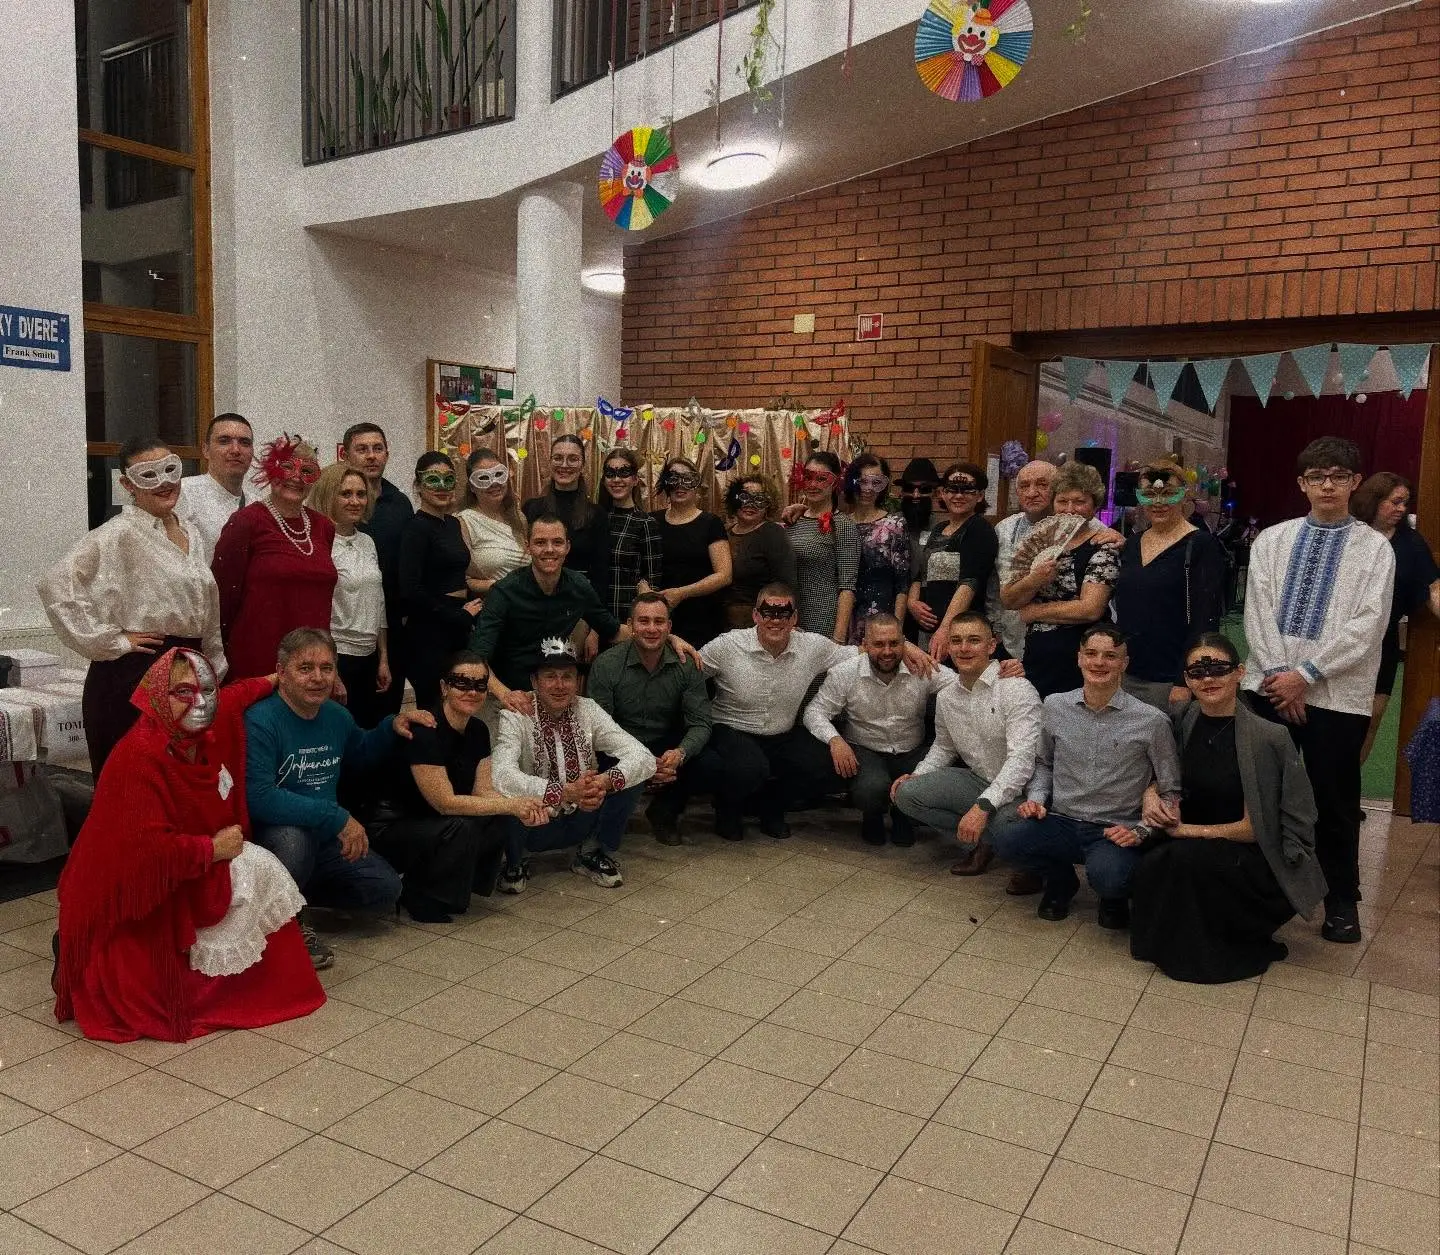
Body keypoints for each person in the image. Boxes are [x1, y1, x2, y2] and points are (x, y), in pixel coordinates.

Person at [53, 647, 324, 1042]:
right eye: (183, 692)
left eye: (207, 690)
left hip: (189, 866)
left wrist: (274, 679)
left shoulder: (201, 730)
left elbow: (234, 696)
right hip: (137, 891)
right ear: (157, 696)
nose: (200, 702)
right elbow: (147, 854)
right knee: (256, 864)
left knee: (262, 866)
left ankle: (254, 982)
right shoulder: (139, 758)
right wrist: (212, 849)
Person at [1242, 436, 1394, 945]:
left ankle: (1341, 900)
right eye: (1316, 477)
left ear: (1355, 482)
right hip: (1268, 687)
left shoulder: (1375, 548)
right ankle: (1258, 892)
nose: (1327, 485)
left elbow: (1368, 625)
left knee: (1334, 800)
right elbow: (1257, 611)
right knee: (1261, 793)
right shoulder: (1273, 540)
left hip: (1337, 696)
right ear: (1301, 483)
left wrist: (1305, 675)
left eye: (1338, 476)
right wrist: (1280, 677)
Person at [1131, 634, 1326, 984]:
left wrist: (1186, 831)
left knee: (1185, 859)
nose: (1208, 679)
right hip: (1193, 841)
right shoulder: (1186, 717)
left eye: (1218, 669)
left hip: (1251, 854)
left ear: (1239, 672)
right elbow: (1168, 771)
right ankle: (1172, 944)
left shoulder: (1267, 737)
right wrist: (1150, 793)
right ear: (1187, 679)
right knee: (1155, 857)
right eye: (1197, 672)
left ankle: (1211, 953)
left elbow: (1253, 829)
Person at [245, 628, 432, 968]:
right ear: (282, 672)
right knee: (293, 840)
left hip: (324, 840)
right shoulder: (260, 720)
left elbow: (360, 752)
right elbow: (259, 797)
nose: (318, 678)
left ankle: (299, 900)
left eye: (327, 668)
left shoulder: (335, 715)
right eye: (305, 668)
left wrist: (392, 725)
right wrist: (336, 817)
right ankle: (286, 923)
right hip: (274, 839)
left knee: (384, 889)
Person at [689, 583, 935, 841]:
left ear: (794, 617)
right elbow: (689, 670)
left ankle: (772, 807)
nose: (775, 620)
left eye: (784, 613)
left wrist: (905, 647)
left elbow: (861, 651)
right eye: (768, 613)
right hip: (730, 728)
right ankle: (728, 809)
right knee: (749, 767)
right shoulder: (727, 645)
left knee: (827, 763)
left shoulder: (812, 646)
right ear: (755, 615)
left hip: (781, 734)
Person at [40, 435, 226, 775]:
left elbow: (207, 607)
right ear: (128, 484)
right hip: (134, 675)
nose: (164, 482)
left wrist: (214, 663)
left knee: (180, 784)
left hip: (186, 672)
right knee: (133, 786)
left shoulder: (192, 534)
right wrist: (113, 640)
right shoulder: (119, 533)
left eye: (169, 470)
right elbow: (56, 584)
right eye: (148, 475)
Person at [991, 625, 1182, 928]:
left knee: (1111, 877)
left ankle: (1112, 896)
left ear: (1124, 663)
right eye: (1091, 654)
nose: (1099, 662)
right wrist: (1037, 799)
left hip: (1115, 828)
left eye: (1110, 656)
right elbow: (1044, 764)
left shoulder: (1151, 721)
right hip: (1062, 820)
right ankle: (1060, 882)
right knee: (1004, 837)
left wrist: (1142, 831)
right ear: (1079, 658)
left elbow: (1171, 789)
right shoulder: (1055, 705)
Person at [368, 651, 547, 922]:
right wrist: (512, 804)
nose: (471, 692)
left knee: (496, 816)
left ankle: (454, 886)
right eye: (461, 683)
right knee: (463, 824)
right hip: (393, 826)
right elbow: (445, 803)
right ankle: (420, 894)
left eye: (480, 685)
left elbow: (482, 791)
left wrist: (523, 806)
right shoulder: (425, 728)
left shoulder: (479, 730)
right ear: (444, 687)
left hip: (433, 821)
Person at [491, 637, 656, 893]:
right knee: (506, 789)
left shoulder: (587, 709)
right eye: (550, 676)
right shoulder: (515, 715)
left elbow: (643, 756)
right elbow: (502, 775)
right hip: (533, 822)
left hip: (582, 816)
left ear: (578, 682)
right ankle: (515, 861)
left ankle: (591, 852)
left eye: (567, 677)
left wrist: (601, 783)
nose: (560, 685)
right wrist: (564, 792)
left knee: (631, 776)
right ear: (534, 681)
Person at [892, 612, 1042, 875]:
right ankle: (986, 841)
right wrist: (918, 774)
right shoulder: (947, 696)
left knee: (1008, 827)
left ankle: (1024, 858)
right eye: (956, 641)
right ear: (948, 647)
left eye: (973, 640)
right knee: (907, 794)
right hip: (979, 779)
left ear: (991, 645)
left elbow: (1022, 760)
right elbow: (944, 747)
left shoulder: (1016, 689)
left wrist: (983, 806)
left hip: (1024, 789)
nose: (963, 648)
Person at [802, 614, 952, 846]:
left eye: (894, 643)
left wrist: (1000, 670)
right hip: (865, 750)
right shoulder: (845, 672)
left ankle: (904, 814)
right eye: (879, 644)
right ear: (865, 645)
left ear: (904, 643)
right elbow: (814, 712)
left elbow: (960, 683)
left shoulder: (920, 666)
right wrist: (835, 740)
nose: (887, 651)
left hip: (912, 750)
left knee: (932, 781)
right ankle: (872, 814)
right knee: (870, 790)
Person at [212, 434, 338, 683]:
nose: (296, 477)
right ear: (270, 471)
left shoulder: (323, 527)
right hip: (258, 660)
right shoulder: (246, 522)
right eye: (287, 467)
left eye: (307, 471)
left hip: (313, 663)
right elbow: (220, 600)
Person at [589, 592, 712, 845]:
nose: (652, 629)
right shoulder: (606, 664)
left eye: (659, 621)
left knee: (708, 760)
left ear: (669, 626)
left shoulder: (686, 664)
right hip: (620, 745)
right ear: (630, 625)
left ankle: (664, 812)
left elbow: (700, 722)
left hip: (665, 745)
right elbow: (600, 727)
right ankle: (611, 817)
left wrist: (679, 754)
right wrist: (642, 762)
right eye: (644, 621)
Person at [469, 514, 627, 705]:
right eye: (540, 542)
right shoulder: (504, 592)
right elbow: (477, 658)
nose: (549, 549)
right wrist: (505, 695)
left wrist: (656, 635)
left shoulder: (579, 586)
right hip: (508, 696)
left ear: (567, 547)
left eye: (557, 542)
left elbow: (613, 631)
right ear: (528, 547)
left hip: (554, 693)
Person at [1112, 458, 1226, 711]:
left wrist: (1185, 679)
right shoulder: (1132, 544)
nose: (1158, 502)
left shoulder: (1201, 545)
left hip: (1170, 679)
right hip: (1127, 673)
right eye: (1149, 495)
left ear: (1184, 496)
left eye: (1168, 494)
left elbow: (1205, 620)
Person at [1001, 460, 1119, 698]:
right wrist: (1034, 580)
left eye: (1079, 502)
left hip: (1083, 659)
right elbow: (1009, 600)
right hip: (1036, 655)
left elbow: (1090, 609)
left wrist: (1033, 612)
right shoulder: (1040, 541)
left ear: (1094, 506)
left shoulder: (1102, 544)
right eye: (1062, 501)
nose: (1070, 509)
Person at [1351, 471, 1440, 763]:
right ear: (1374, 500)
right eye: (1395, 502)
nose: (1402, 509)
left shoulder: (1411, 543)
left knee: (1371, 720)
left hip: (1383, 642)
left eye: (1406, 503)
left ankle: (1349, 783)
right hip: (1343, 637)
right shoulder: (1350, 534)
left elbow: (1433, 589)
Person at [305, 464, 390, 731]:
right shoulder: (318, 542)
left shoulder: (367, 541)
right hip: (337, 654)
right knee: (335, 733)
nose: (355, 501)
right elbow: (314, 609)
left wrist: (384, 658)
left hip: (369, 655)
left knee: (364, 733)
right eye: (346, 494)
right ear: (328, 495)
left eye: (361, 494)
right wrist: (330, 668)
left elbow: (378, 602)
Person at [399, 452, 482, 708]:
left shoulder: (453, 524)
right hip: (429, 631)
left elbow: (458, 576)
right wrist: (456, 615)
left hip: (457, 626)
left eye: (448, 479)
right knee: (434, 708)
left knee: (459, 705)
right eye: (433, 480)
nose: (442, 487)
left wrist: (470, 611)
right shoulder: (416, 528)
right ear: (418, 485)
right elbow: (410, 589)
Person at [344, 422, 414, 717]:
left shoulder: (400, 503)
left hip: (392, 625)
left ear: (387, 453)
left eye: (377, 448)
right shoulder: (335, 503)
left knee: (387, 712)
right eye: (362, 449)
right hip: (346, 625)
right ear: (346, 455)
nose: (371, 456)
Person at [909, 462, 999, 658]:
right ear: (942, 493)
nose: (958, 495)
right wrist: (912, 602)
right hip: (927, 630)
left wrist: (946, 630)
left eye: (967, 490)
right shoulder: (938, 529)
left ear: (980, 495)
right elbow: (920, 574)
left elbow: (970, 582)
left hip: (960, 633)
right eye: (952, 489)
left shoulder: (980, 529)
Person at [653, 456, 732, 646]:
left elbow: (724, 575)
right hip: (659, 618)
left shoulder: (711, 523)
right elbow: (639, 567)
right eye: (673, 478)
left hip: (702, 618)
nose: (680, 485)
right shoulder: (652, 521)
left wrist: (682, 593)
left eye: (687, 479)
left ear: (696, 484)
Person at [785, 450, 860, 642]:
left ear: (835, 482)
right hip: (788, 619)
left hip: (823, 620)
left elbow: (847, 587)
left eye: (821, 479)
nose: (813, 485)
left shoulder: (842, 525)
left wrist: (838, 639)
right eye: (808, 477)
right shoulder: (794, 520)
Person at [990, 459, 1056, 659]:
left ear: (1057, 488)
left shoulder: (1083, 526)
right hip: (1012, 640)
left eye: (1042, 485)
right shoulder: (1004, 529)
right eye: (1025, 486)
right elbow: (993, 585)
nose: (1032, 493)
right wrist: (994, 626)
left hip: (1059, 638)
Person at [844, 454, 912, 644]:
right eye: (862, 481)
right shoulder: (841, 523)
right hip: (844, 618)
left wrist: (897, 630)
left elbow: (902, 584)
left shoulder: (894, 524)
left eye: (876, 483)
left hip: (882, 619)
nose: (868, 489)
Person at [522, 434, 606, 579]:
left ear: (582, 465)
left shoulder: (597, 514)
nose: (564, 465)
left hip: (581, 591)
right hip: (537, 590)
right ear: (550, 462)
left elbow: (601, 570)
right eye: (558, 458)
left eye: (573, 459)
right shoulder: (531, 508)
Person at [594, 446, 662, 622]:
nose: (617, 479)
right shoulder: (595, 518)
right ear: (604, 480)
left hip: (627, 619)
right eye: (610, 474)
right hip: (593, 617)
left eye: (624, 473)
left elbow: (652, 583)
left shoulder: (646, 523)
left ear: (635, 479)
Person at [176, 413, 255, 563]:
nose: (235, 450)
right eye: (224, 441)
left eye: (244, 443)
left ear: (252, 452)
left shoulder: (257, 504)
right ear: (206, 450)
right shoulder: (182, 493)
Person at [722, 473, 797, 629]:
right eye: (744, 497)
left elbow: (786, 584)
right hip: (720, 622)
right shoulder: (724, 532)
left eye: (759, 499)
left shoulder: (773, 533)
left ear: (768, 505)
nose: (751, 504)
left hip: (758, 623)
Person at [459, 448, 529, 601]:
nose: (494, 483)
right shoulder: (464, 522)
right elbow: (462, 579)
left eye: (498, 474)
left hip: (526, 604)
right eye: (484, 478)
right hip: (491, 606)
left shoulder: (519, 517)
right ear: (472, 486)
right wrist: (502, 586)